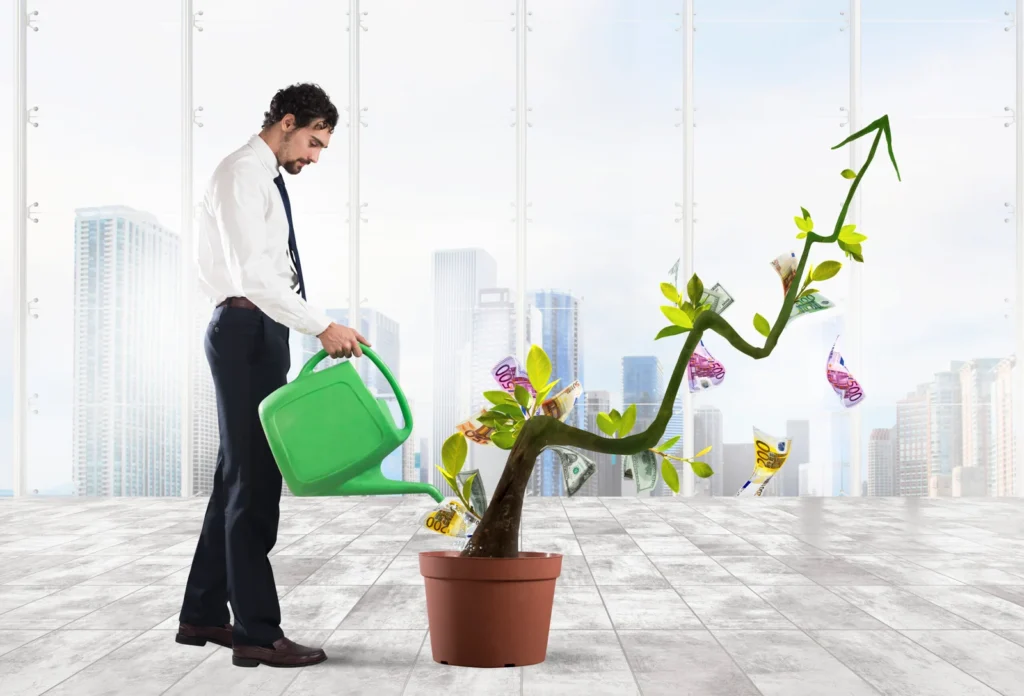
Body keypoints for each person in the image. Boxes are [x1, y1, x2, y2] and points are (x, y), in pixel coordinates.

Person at [176, 83, 369, 668]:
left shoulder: (263, 177)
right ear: (287, 122)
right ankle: (257, 633)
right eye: (313, 142)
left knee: (235, 476)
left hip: (260, 330)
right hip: (245, 330)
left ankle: (203, 613)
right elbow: (253, 276)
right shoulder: (242, 173)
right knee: (254, 483)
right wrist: (322, 325)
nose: (314, 156)